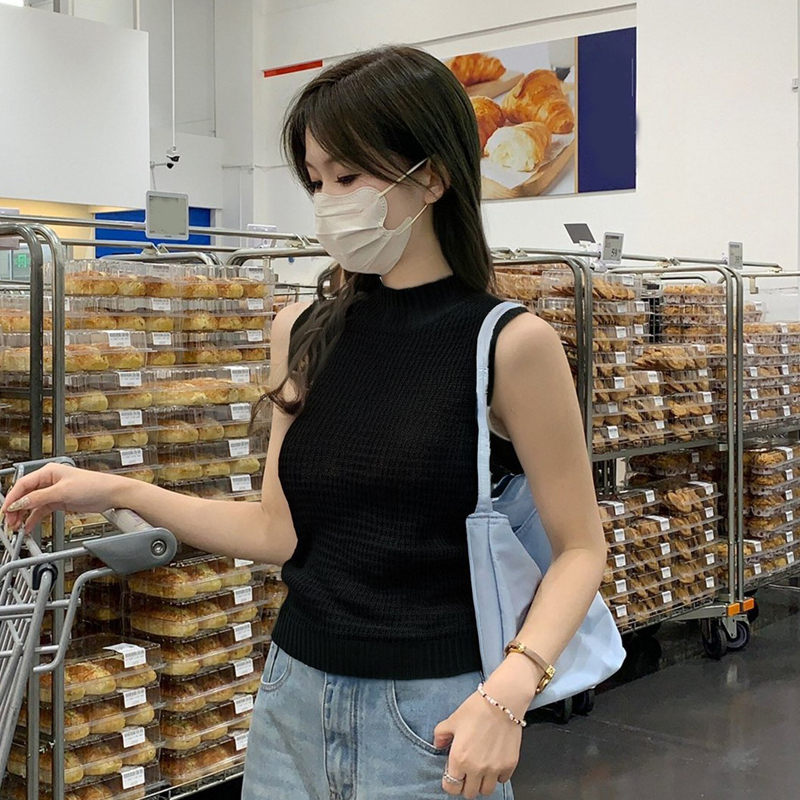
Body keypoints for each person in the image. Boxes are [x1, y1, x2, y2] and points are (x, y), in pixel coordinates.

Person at [2, 45, 606, 800]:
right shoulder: (302, 332)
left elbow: (580, 547)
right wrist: (118, 490)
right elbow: (276, 532)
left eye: (349, 178)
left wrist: (510, 691)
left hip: (435, 718)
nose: (328, 201)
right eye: (317, 180)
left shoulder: (509, 344)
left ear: (433, 177)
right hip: (290, 701)